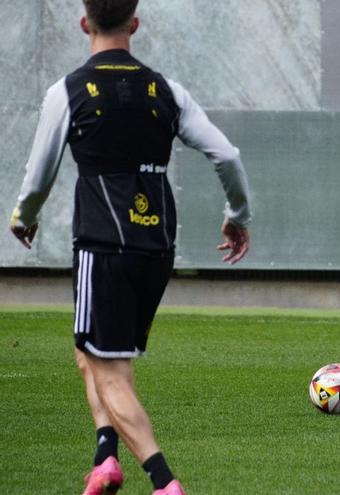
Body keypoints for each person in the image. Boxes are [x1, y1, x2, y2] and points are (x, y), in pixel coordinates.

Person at [9, 1, 251, 493]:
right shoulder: (167, 90)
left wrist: (23, 217)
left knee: (110, 369)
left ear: (84, 24)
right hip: (157, 244)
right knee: (96, 352)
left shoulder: (69, 89)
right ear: (134, 25)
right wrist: (237, 217)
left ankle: (163, 481)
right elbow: (226, 154)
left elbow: (39, 174)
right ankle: (105, 456)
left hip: (103, 243)